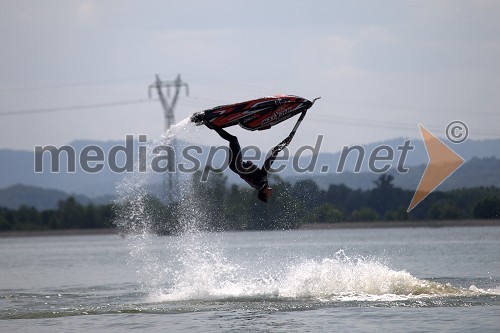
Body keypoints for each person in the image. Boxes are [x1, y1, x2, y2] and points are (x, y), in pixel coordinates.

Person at [211, 125, 291, 202]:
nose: (271, 195)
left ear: (265, 193)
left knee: (233, 139)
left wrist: (276, 151)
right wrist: (277, 150)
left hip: (236, 165)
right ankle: (211, 124)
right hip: (237, 165)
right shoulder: (263, 183)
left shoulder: (259, 182)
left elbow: (263, 167)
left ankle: (212, 124)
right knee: (232, 140)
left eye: (269, 196)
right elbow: (266, 166)